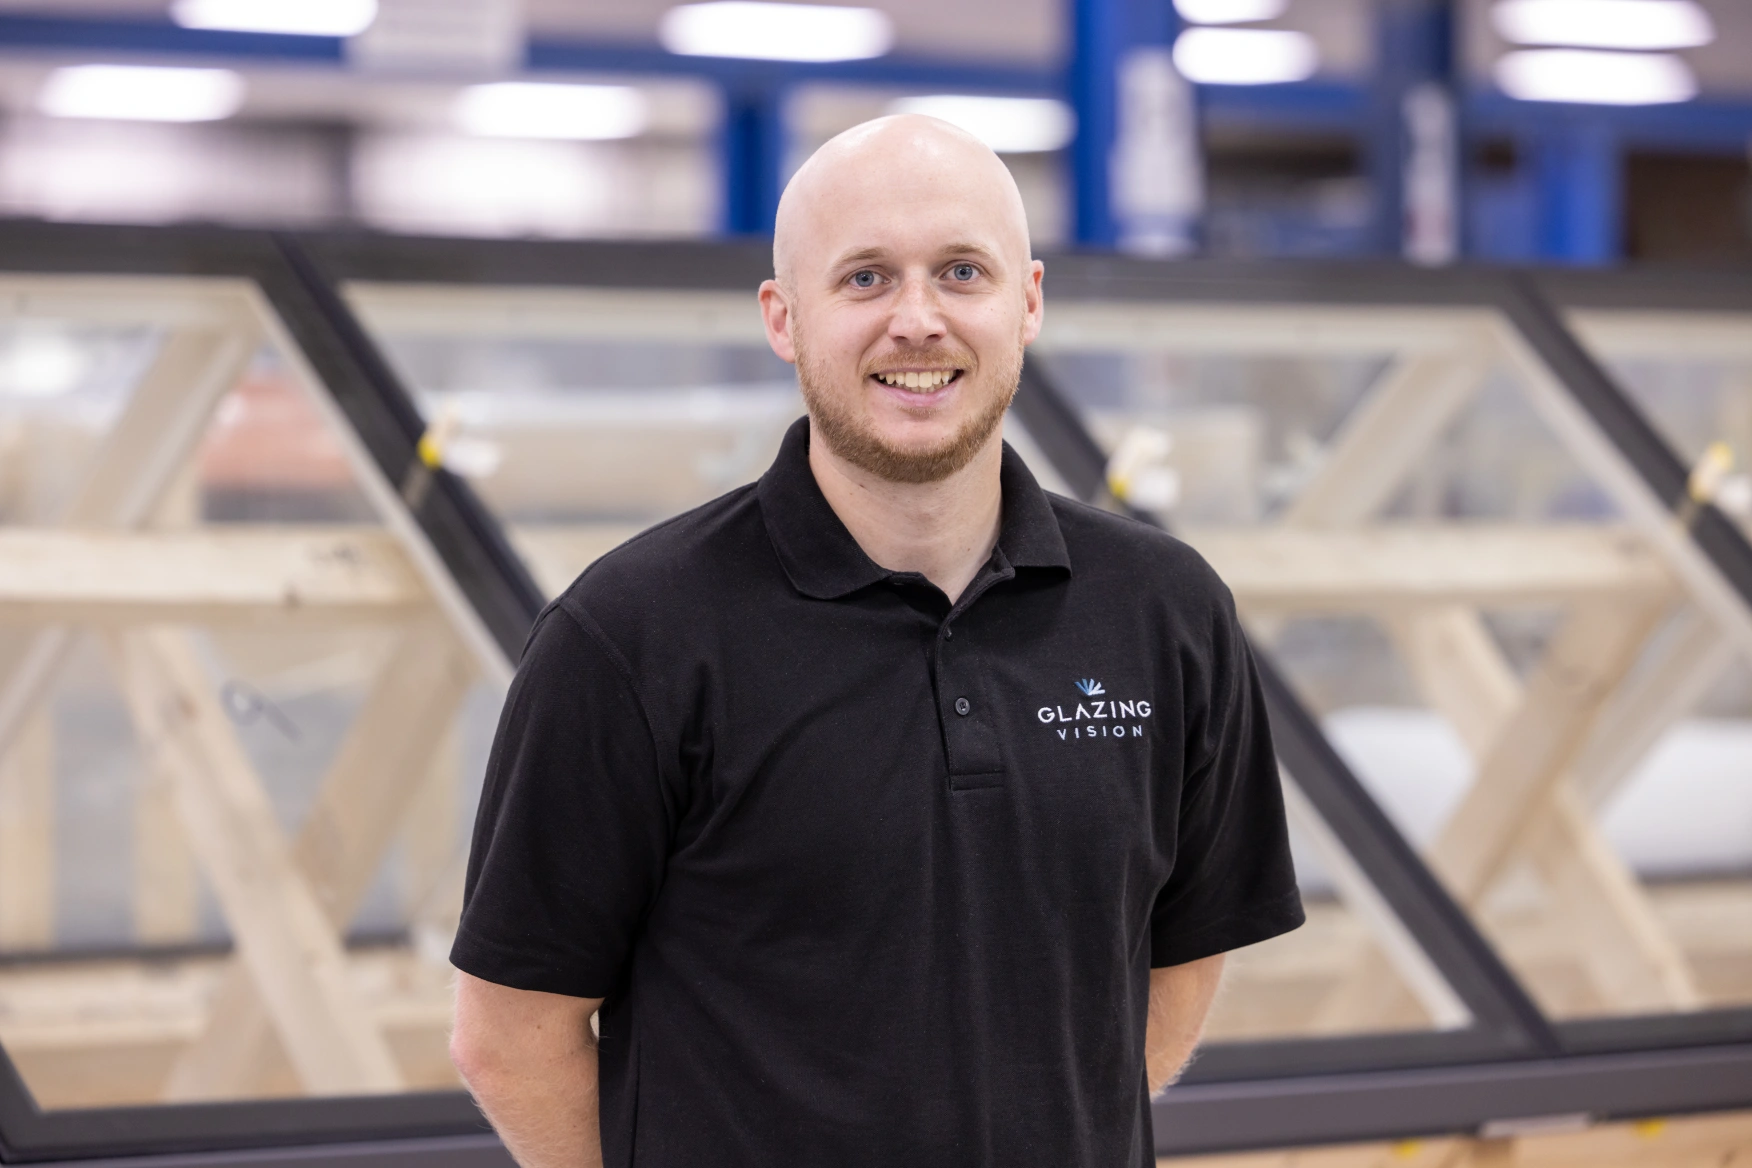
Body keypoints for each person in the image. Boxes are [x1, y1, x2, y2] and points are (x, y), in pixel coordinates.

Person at [447, 114, 1304, 1168]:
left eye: (960, 271)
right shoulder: (631, 636)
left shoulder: (1166, 612)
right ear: (783, 317)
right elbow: (510, 1037)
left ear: (1027, 299)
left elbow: (1181, 954)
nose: (918, 320)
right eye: (864, 279)